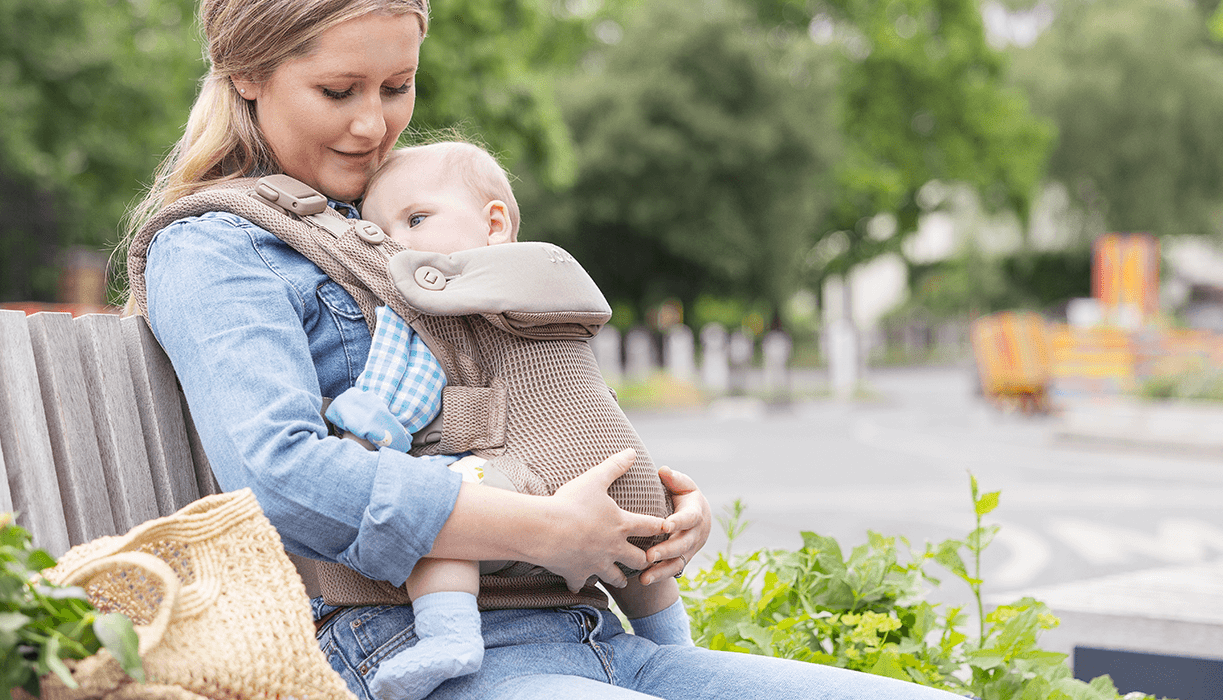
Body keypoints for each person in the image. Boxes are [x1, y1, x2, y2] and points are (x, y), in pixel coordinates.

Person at [126, 1, 965, 698]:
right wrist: (547, 531)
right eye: (338, 89)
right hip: (407, 653)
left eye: (398, 85)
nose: (372, 123)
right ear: (247, 72)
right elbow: (281, 474)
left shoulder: (396, 221)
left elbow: (527, 406)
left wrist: (645, 512)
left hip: (594, 635)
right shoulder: (214, 246)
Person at [322, 141, 690, 700]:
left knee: (440, 503)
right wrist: (672, 498)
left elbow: (403, 393)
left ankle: (449, 636)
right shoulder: (559, 290)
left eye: (416, 219)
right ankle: (675, 646)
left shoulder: (429, 313)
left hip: (522, 482)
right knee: (642, 538)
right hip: (617, 472)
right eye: (381, 232)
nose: (397, 245)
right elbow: (590, 397)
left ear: (494, 222)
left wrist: (363, 430)